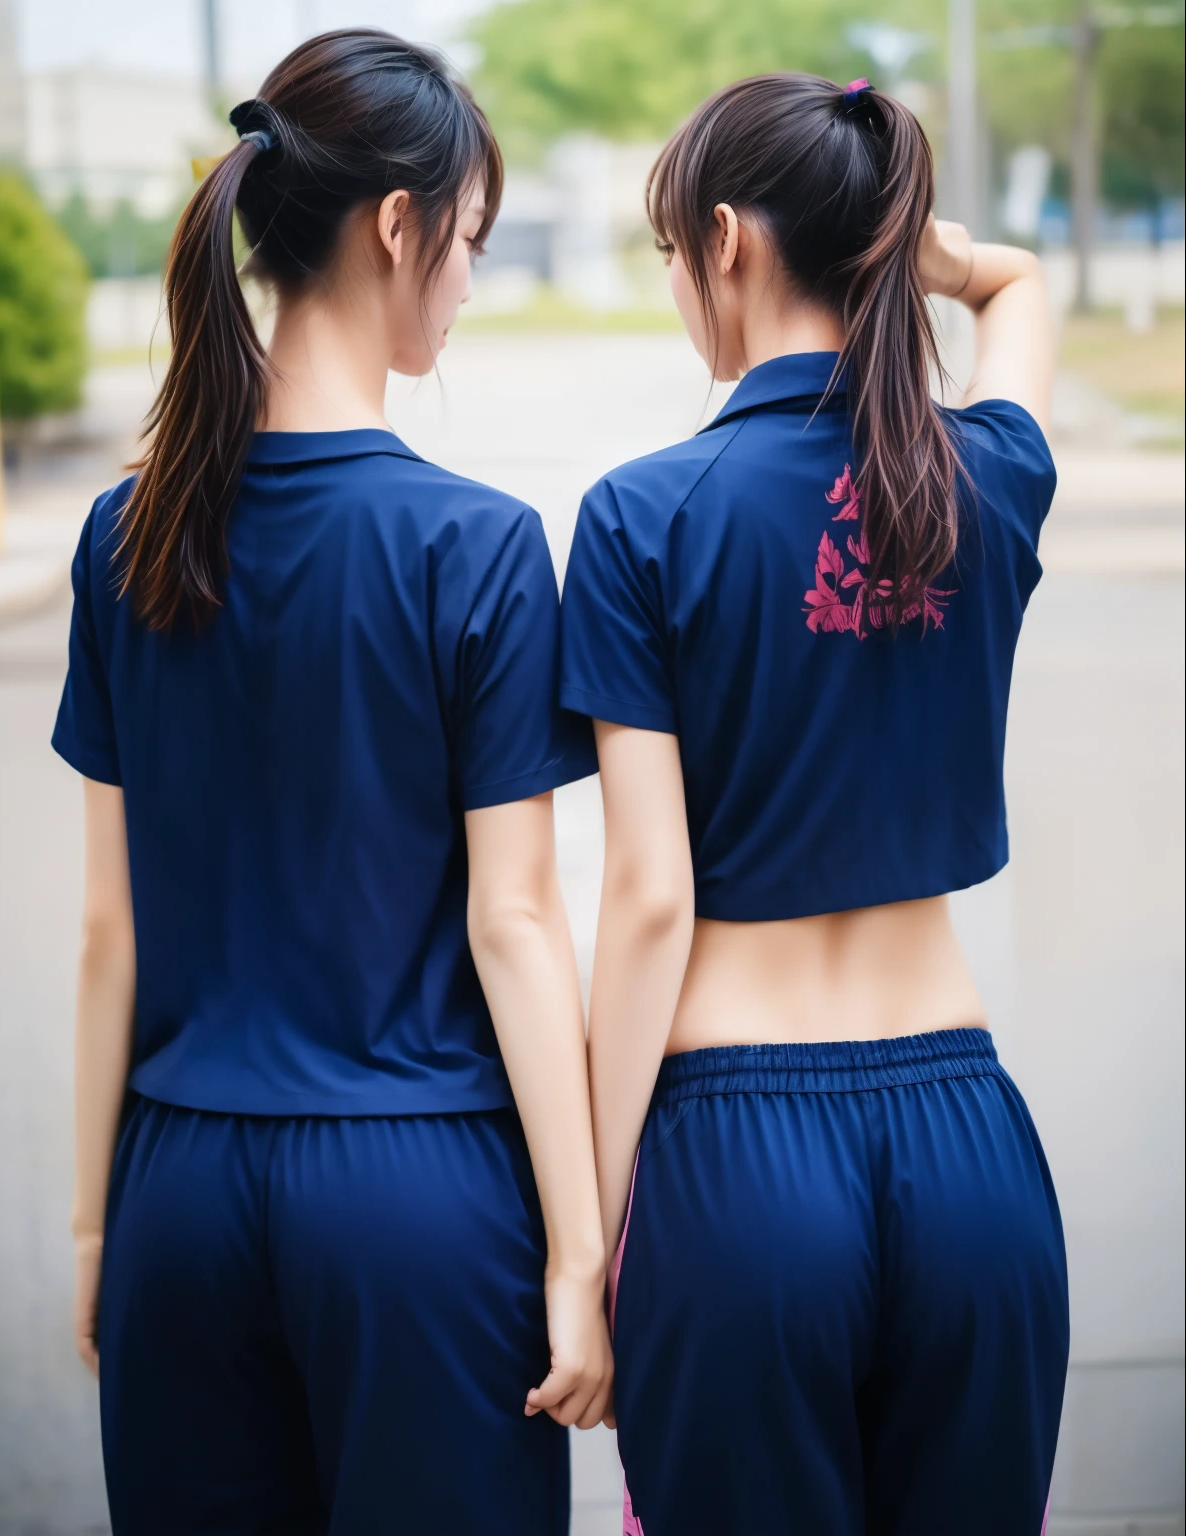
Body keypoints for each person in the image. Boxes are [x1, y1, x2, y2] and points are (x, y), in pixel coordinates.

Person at [52, 30, 610, 1536]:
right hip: (416, 1200)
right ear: (396, 226)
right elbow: (516, 922)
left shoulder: (125, 537)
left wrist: (101, 1224)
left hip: (177, 1183)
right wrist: (578, 1258)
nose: (473, 285)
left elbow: (110, 932)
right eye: (471, 242)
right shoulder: (477, 546)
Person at [560, 74, 1067, 1536]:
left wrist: (591, 1235)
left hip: (736, 1168)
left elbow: (650, 897)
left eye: (671, 252)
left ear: (725, 240)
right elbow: (1017, 285)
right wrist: (933, 255)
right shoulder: (982, 472)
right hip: (969, 1152)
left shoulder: (642, 514)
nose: (677, 287)